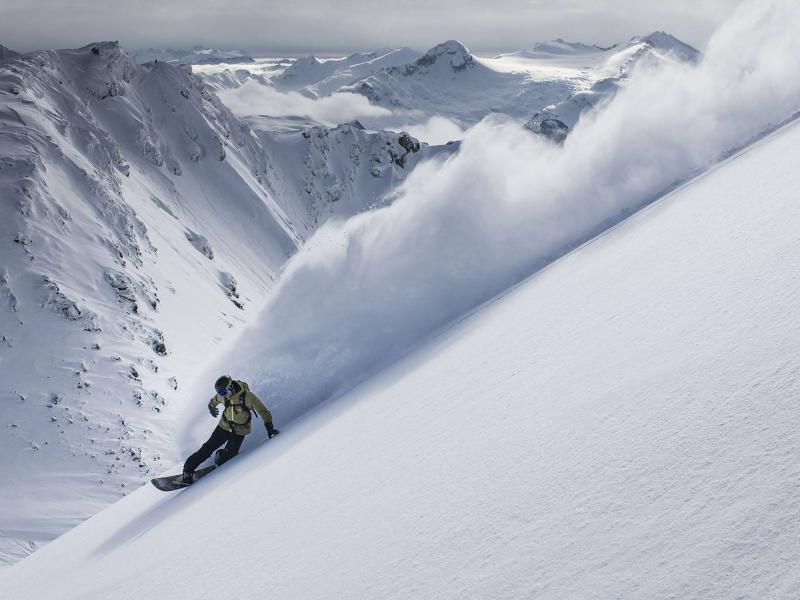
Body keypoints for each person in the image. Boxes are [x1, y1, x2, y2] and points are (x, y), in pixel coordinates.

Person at [180, 375, 279, 484]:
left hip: (240, 431)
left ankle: (220, 457)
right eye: (220, 393)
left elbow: (264, 411)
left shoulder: (248, 397)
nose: (222, 395)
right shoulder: (223, 396)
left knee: (230, 456)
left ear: (230, 387)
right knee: (207, 448)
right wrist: (211, 408)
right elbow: (213, 401)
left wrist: (270, 429)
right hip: (224, 427)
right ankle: (187, 471)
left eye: (223, 392)